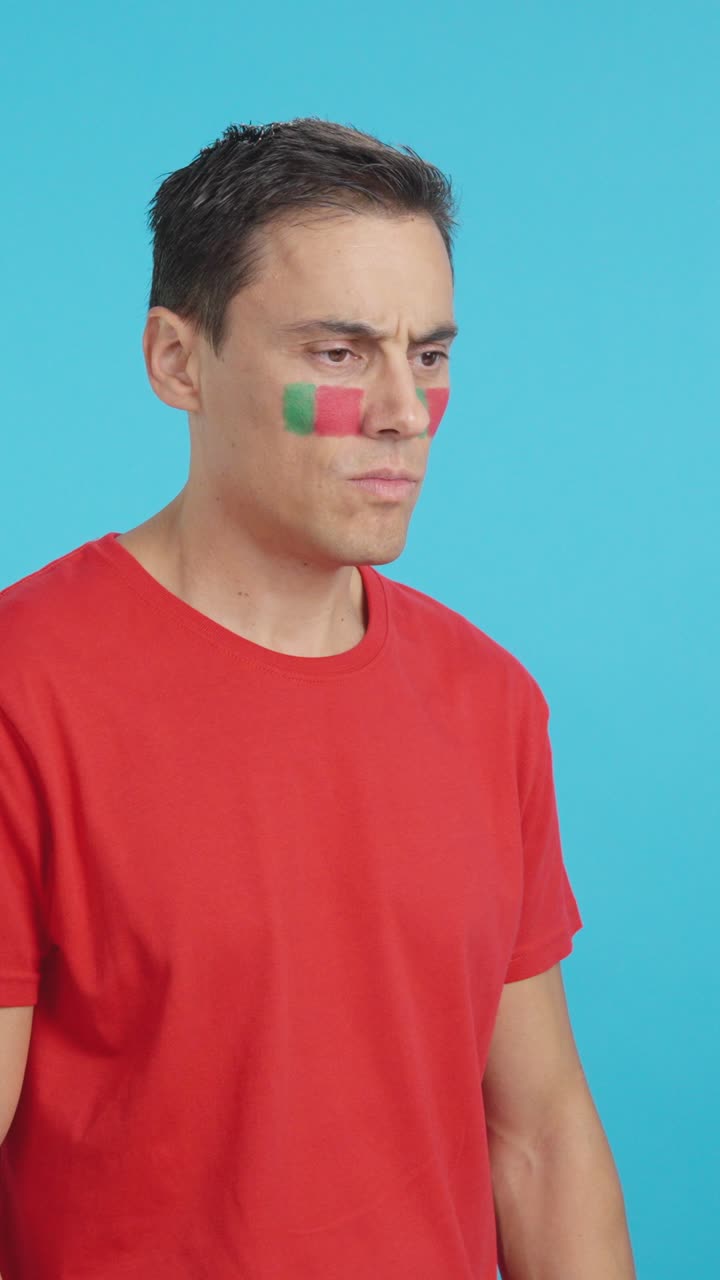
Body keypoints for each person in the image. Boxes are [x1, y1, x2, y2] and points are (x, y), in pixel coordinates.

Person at [0, 118, 636, 1279]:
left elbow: (538, 1136)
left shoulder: (489, 700)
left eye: (429, 353)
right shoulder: (24, 691)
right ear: (178, 361)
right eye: (338, 354)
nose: (402, 408)